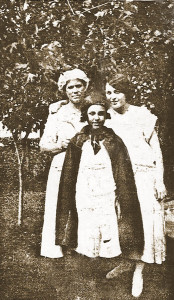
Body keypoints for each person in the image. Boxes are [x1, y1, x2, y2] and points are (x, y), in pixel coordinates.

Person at [55, 93, 144, 284]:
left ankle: (113, 265)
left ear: (106, 116)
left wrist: (120, 194)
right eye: (92, 113)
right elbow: (69, 173)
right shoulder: (78, 140)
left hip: (107, 189)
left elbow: (123, 171)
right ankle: (88, 269)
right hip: (84, 190)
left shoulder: (114, 140)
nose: (96, 118)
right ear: (86, 115)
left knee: (108, 224)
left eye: (100, 114)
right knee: (87, 224)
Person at [105, 74, 167, 297]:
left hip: (144, 175)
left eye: (117, 91)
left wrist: (159, 181)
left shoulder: (142, 115)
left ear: (126, 92)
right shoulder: (106, 119)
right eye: (109, 92)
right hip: (119, 177)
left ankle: (139, 270)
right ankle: (126, 262)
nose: (113, 96)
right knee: (124, 223)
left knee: (145, 222)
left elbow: (156, 151)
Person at [40, 68, 90, 258]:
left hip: (86, 164)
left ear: (85, 87)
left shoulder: (91, 111)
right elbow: (44, 145)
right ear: (65, 90)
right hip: (62, 163)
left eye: (79, 86)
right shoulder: (57, 114)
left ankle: (83, 246)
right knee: (58, 204)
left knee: (84, 203)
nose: (76, 90)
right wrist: (60, 145)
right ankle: (55, 247)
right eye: (71, 87)